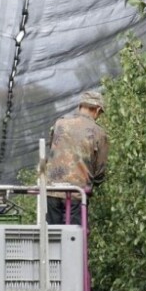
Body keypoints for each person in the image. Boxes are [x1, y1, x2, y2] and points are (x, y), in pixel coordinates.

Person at [45, 90, 109, 225]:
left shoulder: (59, 124)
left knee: (52, 238)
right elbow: (100, 171)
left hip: (52, 191)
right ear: (97, 110)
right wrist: (96, 182)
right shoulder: (99, 133)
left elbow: (51, 151)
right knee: (75, 239)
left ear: (80, 106)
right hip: (77, 193)